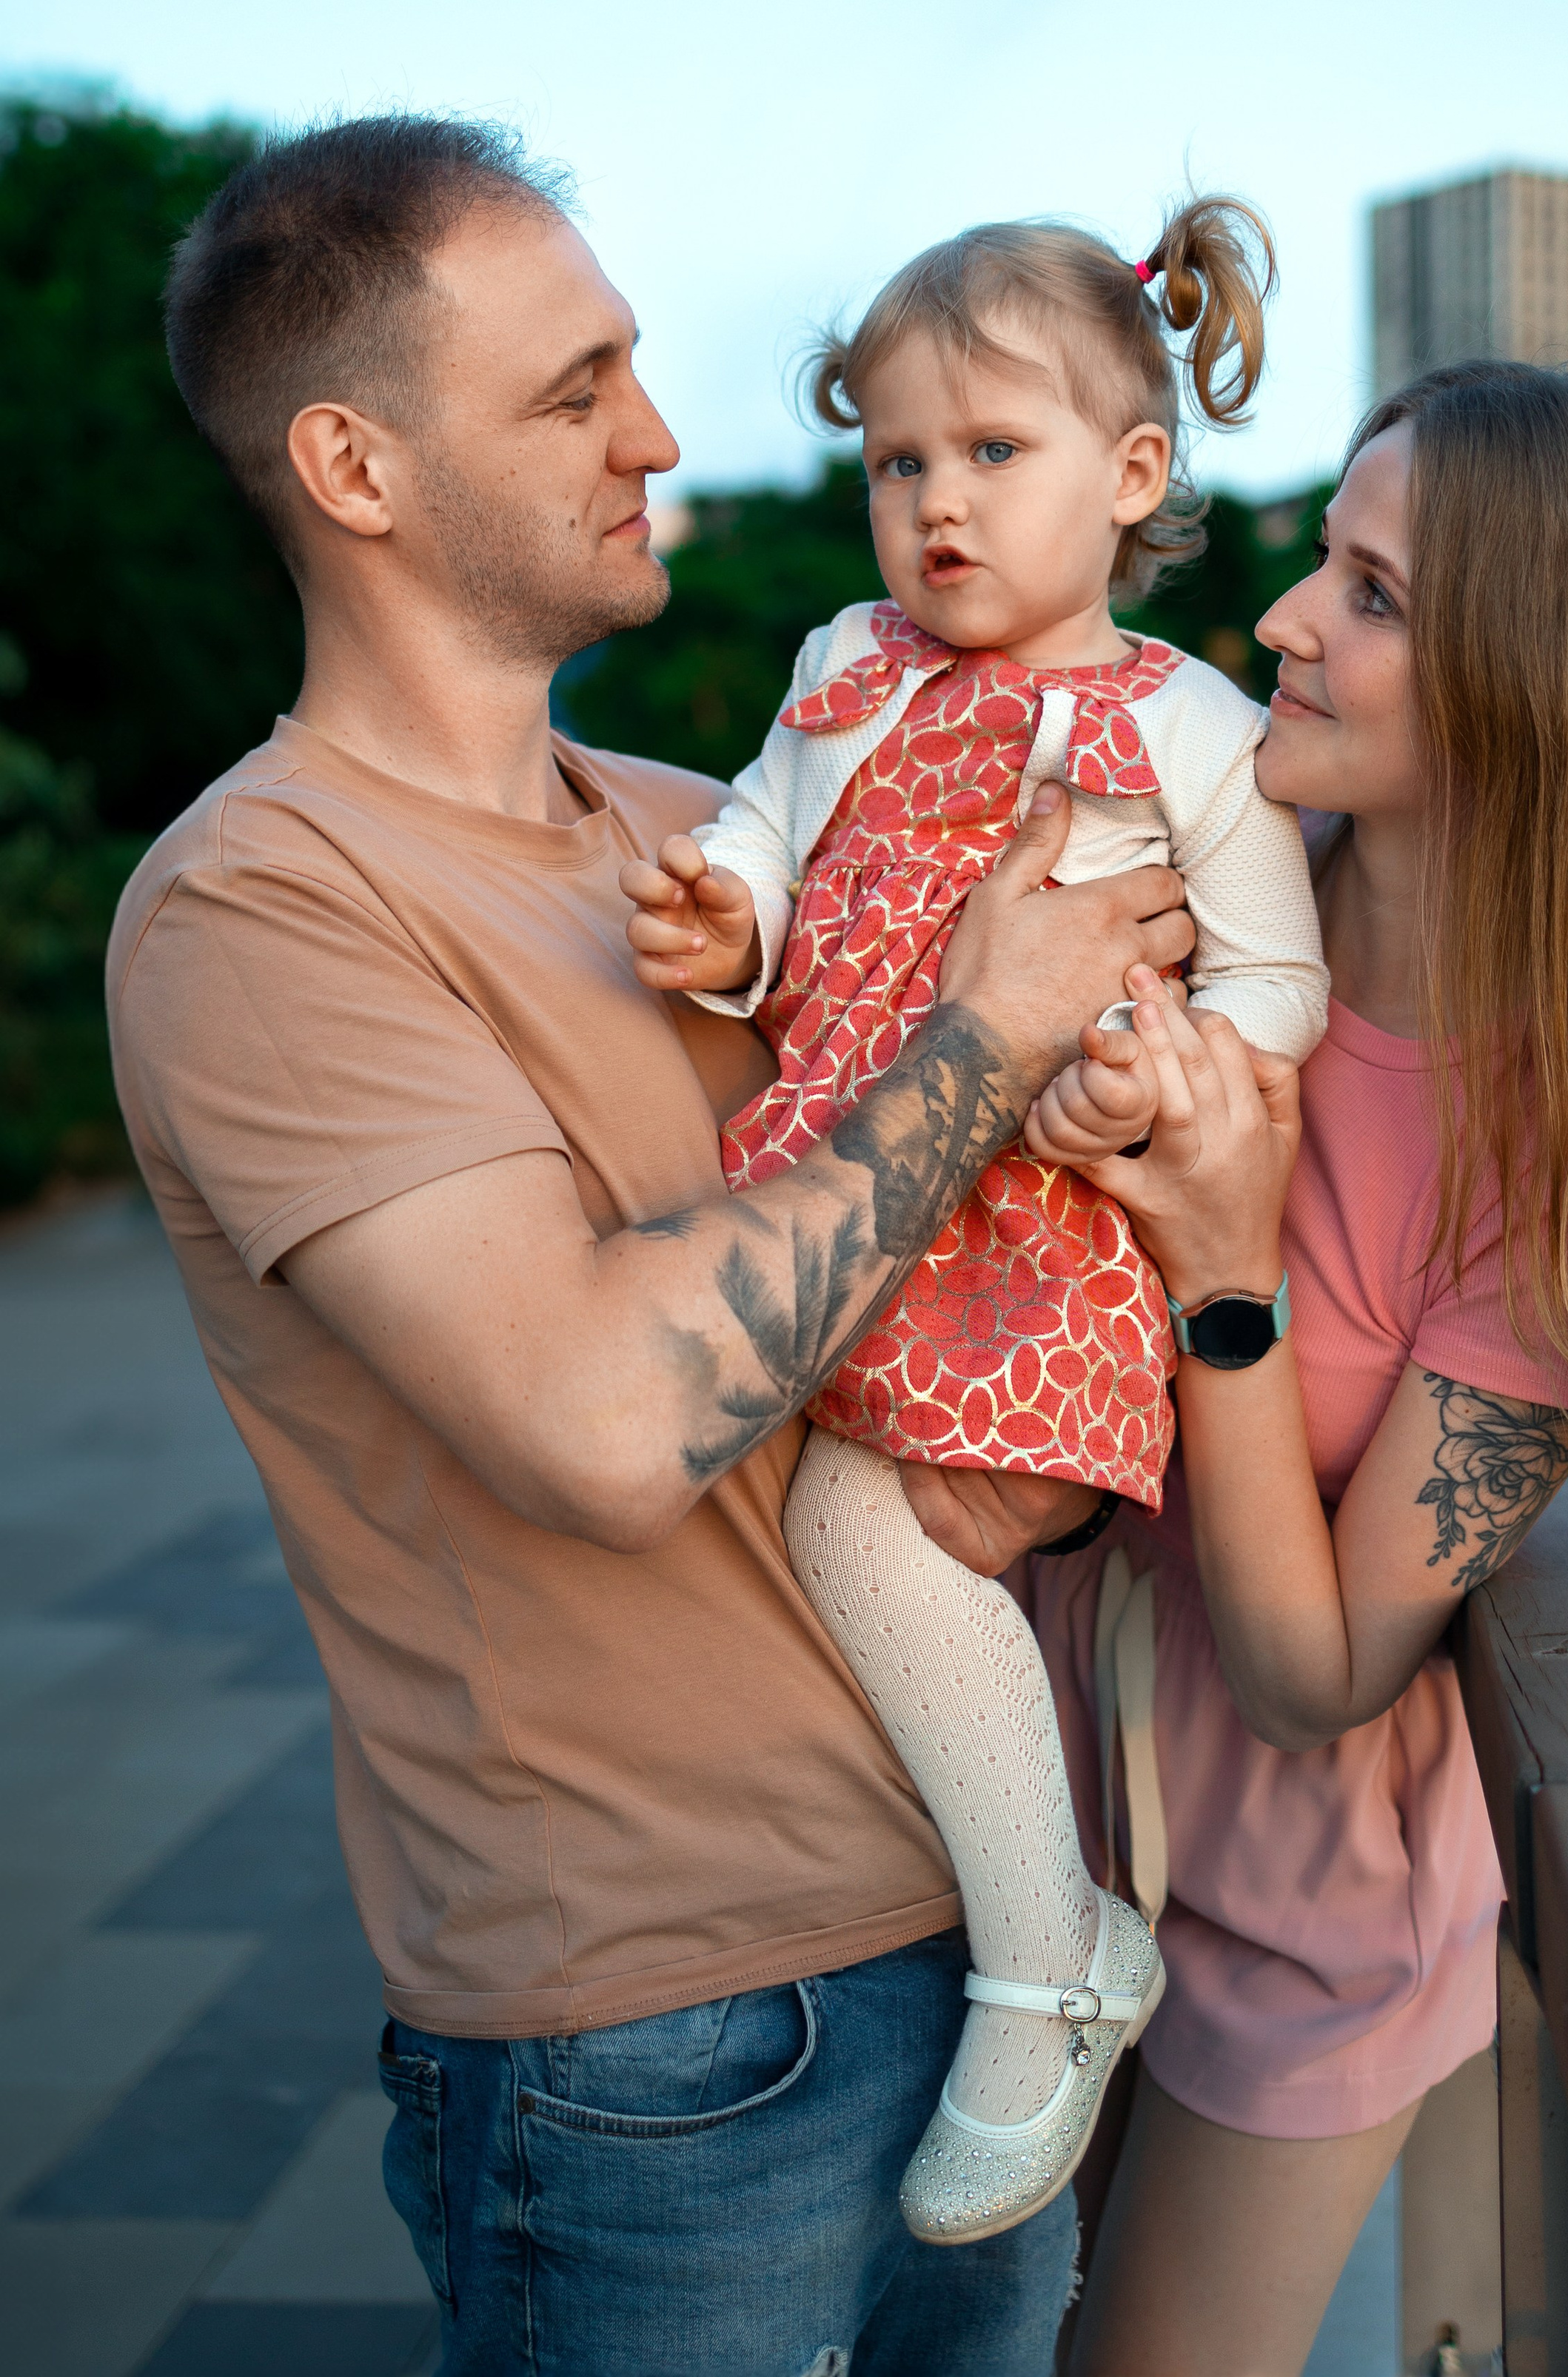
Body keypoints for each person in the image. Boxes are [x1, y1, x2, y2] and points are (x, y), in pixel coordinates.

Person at [105, 115, 1200, 2377]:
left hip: (989, 1945)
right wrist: (989, 1032)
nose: (663, 433)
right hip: (661, 2051)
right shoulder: (267, 906)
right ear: (356, 464)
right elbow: (609, 1425)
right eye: (573, 385)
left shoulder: (718, 838)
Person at [1013, 363, 1568, 2373]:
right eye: (1324, 556)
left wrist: (1229, 1266)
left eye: (1370, 592)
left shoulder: (1557, 1169)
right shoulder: (1213, 903)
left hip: (1291, 1934)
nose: (1284, 615)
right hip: (1039, 1855)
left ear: (1536, 686)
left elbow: (1320, 1672)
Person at [623, 205, 1327, 2242]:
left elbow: (1281, 978)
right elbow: (766, 814)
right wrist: (727, 906)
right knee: (804, 1524)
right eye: (897, 461)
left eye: (992, 455)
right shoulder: (843, 664)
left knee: (869, 1523)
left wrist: (1166, 1057)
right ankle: (992, 1922)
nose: (934, 504)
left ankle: (1049, 1956)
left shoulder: (1186, 726)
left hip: (1041, 1223)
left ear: (1129, 478)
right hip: (856, 1181)